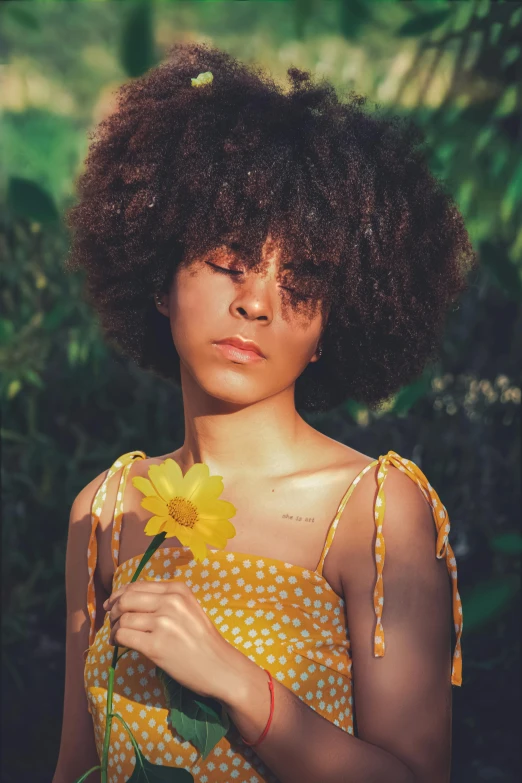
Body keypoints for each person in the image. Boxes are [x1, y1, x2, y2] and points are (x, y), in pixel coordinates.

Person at [53, 41, 475, 783]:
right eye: (229, 262)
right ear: (160, 281)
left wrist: (241, 684)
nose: (255, 302)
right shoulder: (106, 510)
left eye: (301, 281)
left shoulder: (374, 512)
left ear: (329, 331)